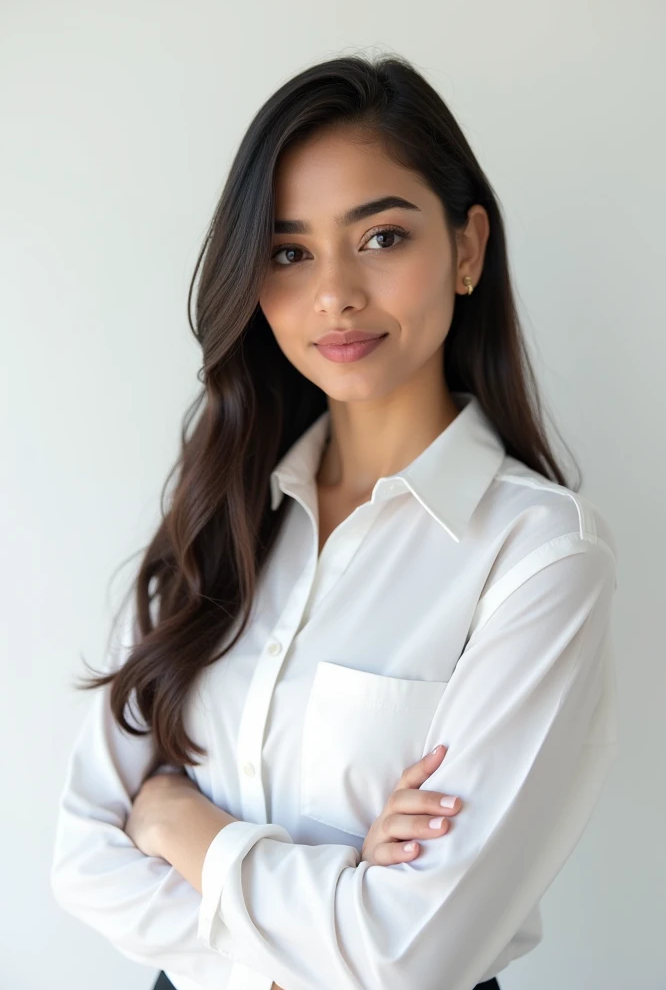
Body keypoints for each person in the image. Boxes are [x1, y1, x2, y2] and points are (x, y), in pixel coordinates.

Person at [50, 52, 618, 990]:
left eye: (383, 237)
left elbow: (413, 954)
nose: (335, 295)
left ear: (468, 247)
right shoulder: (217, 516)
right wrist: (336, 898)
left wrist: (183, 825)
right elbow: (82, 854)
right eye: (289, 251)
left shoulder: (542, 555)